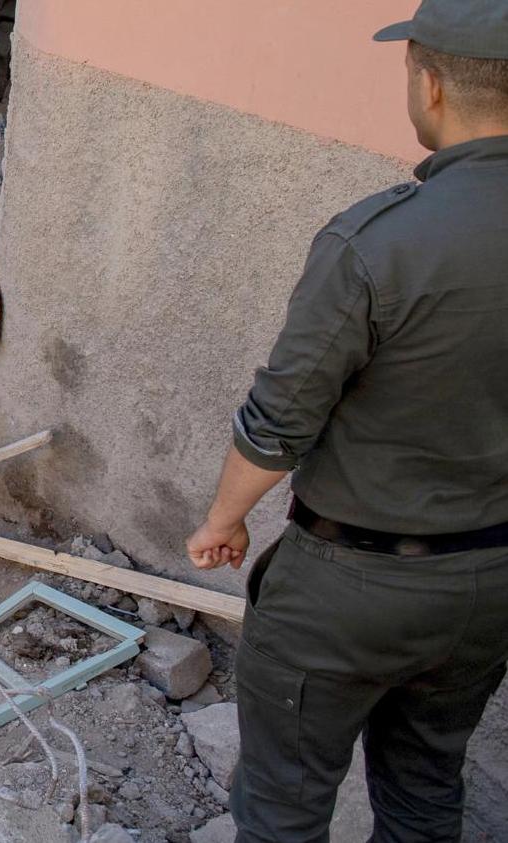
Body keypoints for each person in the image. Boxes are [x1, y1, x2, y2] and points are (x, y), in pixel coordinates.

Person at [185, 3, 508, 839]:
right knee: (426, 789)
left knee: (283, 808)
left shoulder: (378, 242)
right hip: (488, 584)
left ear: (431, 86)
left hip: (351, 587)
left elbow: (277, 423)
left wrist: (223, 520)